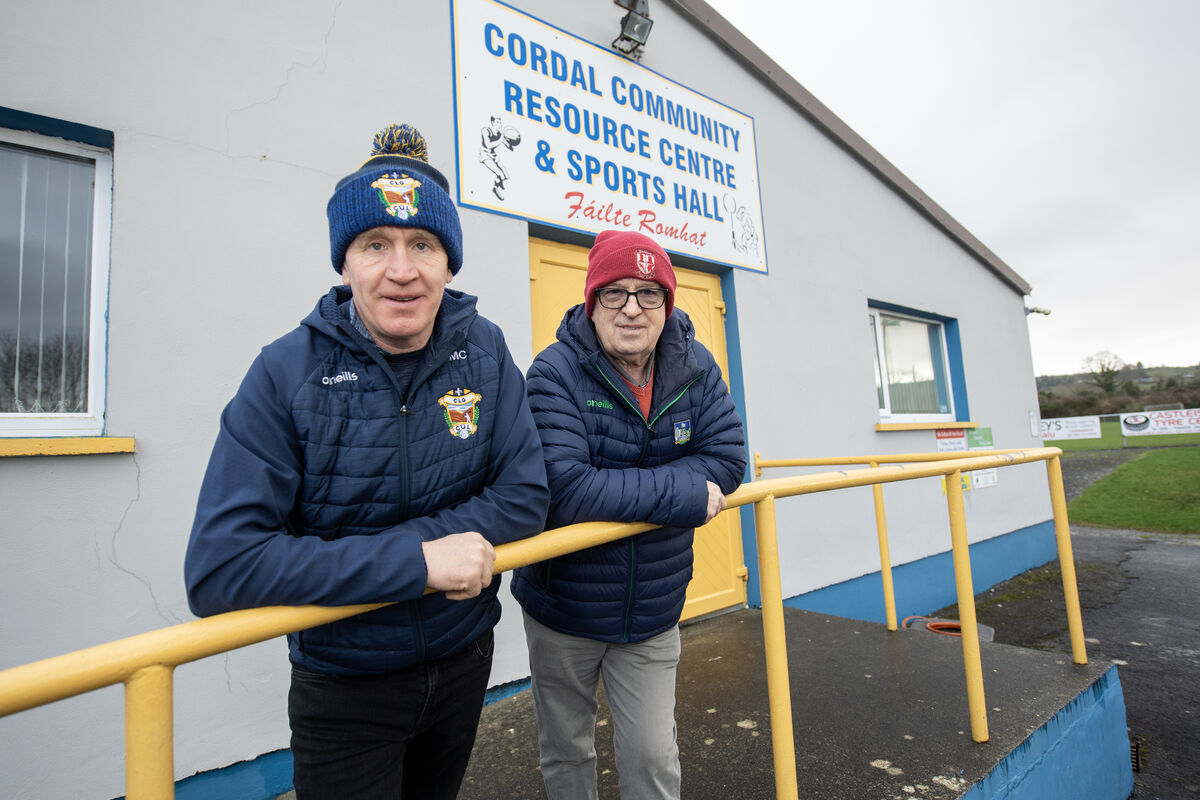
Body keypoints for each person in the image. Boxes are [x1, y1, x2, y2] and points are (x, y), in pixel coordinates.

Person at [184, 123, 549, 800]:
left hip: (464, 657)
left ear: (450, 263)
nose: (401, 270)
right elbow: (221, 567)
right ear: (344, 263)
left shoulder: (486, 350)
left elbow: (525, 494)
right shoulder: (285, 370)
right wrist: (419, 563)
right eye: (375, 244)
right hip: (344, 686)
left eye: (423, 245)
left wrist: (420, 556)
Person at [512, 230, 747, 799]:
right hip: (563, 606)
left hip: (652, 608)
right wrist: (687, 494)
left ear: (668, 304)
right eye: (614, 293)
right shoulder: (554, 372)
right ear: (591, 302)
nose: (632, 309)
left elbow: (728, 459)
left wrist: (631, 486)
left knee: (653, 759)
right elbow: (566, 490)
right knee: (566, 751)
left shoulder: (696, 367)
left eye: (649, 293)